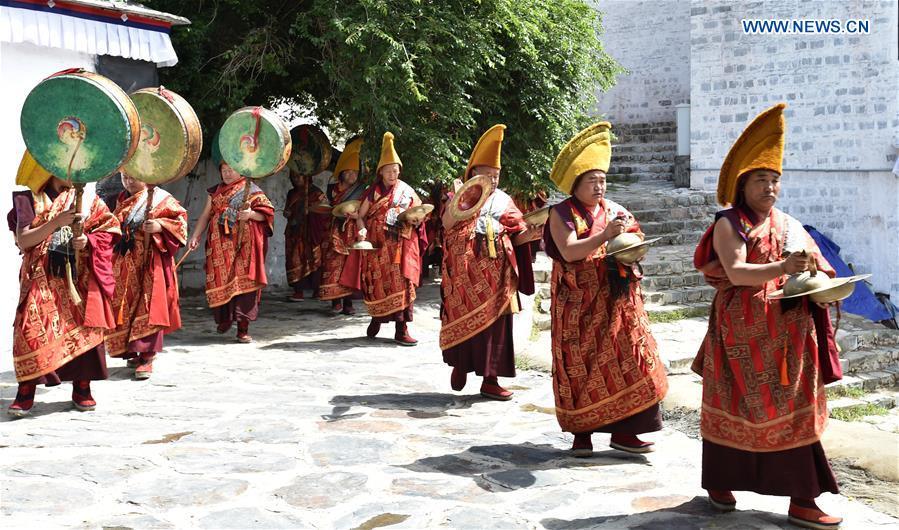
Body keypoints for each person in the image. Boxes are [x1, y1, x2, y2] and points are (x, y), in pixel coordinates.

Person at [692, 103, 842, 529]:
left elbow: (816, 266)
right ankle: (721, 484)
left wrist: (821, 281)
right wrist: (782, 268)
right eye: (762, 180)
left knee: (795, 413)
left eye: (775, 180)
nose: (771, 188)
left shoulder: (789, 225)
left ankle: (802, 499)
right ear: (742, 185)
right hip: (739, 333)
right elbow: (737, 272)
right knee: (733, 405)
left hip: (790, 341)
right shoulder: (729, 223)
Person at [542, 122, 668, 454]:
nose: (599, 187)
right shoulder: (562, 213)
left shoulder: (616, 211)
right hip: (577, 307)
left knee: (631, 360)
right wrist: (604, 236)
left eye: (602, 180)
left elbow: (635, 239)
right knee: (580, 367)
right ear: (576, 185)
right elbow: (569, 250)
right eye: (591, 181)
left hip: (616, 303)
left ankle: (626, 433)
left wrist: (631, 245)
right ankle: (582, 434)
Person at [7, 151, 120, 417]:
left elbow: (110, 230)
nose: (71, 174)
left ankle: (82, 387)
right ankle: (26, 391)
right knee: (30, 331)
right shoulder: (28, 198)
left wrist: (88, 242)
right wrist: (56, 222)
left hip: (78, 278)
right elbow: (24, 240)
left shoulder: (88, 199)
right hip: (41, 277)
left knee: (83, 328)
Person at [440, 125, 540, 400]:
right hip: (464, 274)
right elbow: (447, 225)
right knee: (461, 318)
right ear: (473, 174)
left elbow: (517, 237)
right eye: (487, 175)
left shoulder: (505, 201)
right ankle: (460, 365)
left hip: (497, 277)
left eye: (496, 176)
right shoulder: (458, 197)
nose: (493, 181)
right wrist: (460, 202)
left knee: (497, 327)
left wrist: (529, 235)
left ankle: (490, 380)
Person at [186, 143, 274, 343]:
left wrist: (251, 214)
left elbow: (267, 214)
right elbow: (205, 215)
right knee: (219, 279)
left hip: (244, 245)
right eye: (223, 170)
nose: (226, 174)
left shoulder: (251, 190)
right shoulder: (215, 191)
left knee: (244, 284)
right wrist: (195, 236)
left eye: (230, 170)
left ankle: (243, 327)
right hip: (218, 246)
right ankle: (224, 319)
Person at [106, 171, 187, 379]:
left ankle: (148, 356)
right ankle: (133, 349)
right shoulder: (121, 199)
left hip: (152, 261)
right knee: (127, 305)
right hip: (126, 261)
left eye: (133, 177)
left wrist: (160, 226)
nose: (128, 181)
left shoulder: (161, 199)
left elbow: (180, 223)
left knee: (150, 305)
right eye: (124, 177)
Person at [349, 132, 425, 345]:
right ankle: (377, 318)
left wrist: (418, 221)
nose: (393, 175)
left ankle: (402, 329)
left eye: (396, 171)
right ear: (380, 172)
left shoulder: (407, 191)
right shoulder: (372, 192)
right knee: (377, 284)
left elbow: (420, 215)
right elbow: (360, 216)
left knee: (402, 284)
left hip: (400, 247)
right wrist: (361, 229)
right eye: (388, 171)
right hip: (378, 246)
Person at [320, 138, 364, 314]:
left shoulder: (360, 190)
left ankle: (348, 303)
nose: (352, 176)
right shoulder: (332, 189)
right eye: (349, 172)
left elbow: (364, 211)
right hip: (334, 230)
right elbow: (326, 207)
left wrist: (358, 217)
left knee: (350, 266)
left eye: (355, 173)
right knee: (333, 265)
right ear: (342, 173)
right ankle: (335, 301)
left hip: (351, 230)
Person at [284, 169, 329, 301]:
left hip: (312, 232)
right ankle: (298, 291)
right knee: (294, 260)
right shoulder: (292, 193)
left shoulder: (316, 193)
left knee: (315, 259)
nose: (297, 179)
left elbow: (325, 210)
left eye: (299, 176)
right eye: (294, 177)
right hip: (295, 232)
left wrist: (312, 211)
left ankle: (317, 290)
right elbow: (289, 211)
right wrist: (287, 214)